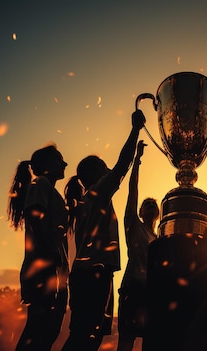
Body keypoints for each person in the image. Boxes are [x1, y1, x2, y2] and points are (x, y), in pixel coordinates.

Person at [61, 110, 145, 351]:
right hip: (93, 274)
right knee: (85, 337)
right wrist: (135, 129)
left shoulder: (90, 200)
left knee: (89, 336)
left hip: (93, 273)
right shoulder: (96, 194)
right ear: (94, 174)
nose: (109, 169)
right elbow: (121, 167)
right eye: (103, 167)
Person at [7, 144, 69, 351]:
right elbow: (34, 216)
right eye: (59, 160)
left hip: (52, 268)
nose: (65, 163)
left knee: (48, 329)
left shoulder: (50, 190)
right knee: (38, 328)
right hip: (42, 267)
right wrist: (50, 251)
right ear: (46, 165)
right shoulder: (40, 184)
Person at [117, 140, 159, 351]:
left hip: (151, 293)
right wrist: (137, 161)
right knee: (126, 341)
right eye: (146, 204)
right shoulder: (134, 226)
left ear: (158, 213)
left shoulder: (159, 238)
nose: (150, 206)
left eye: (153, 204)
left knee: (150, 342)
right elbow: (132, 193)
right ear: (140, 212)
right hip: (132, 289)